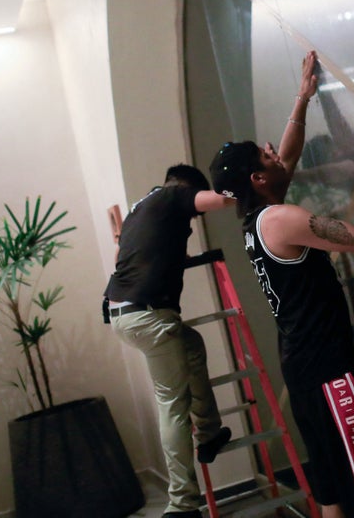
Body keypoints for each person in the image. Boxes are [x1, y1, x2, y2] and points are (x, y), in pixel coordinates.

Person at [210, 50, 354, 518]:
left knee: (333, 491)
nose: (275, 150)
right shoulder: (282, 218)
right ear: (259, 178)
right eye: (265, 154)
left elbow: (289, 153)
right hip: (328, 369)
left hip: (304, 366)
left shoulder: (257, 216)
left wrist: (303, 98)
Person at [103, 163, 235, 518]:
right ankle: (182, 505)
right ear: (187, 188)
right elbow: (220, 200)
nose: (192, 219)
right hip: (149, 315)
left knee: (191, 345)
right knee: (172, 405)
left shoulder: (139, 208)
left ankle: (208, 432)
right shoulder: (176, 194)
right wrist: (245, 185)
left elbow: (124, 257)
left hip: (123, 313)